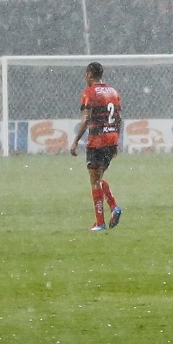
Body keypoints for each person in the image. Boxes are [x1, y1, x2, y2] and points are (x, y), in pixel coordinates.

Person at [69, 61, 124, 231]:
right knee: (98, 178)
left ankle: (100, 222)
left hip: (97, 140)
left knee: (94, 181)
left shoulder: (89, 92)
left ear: (89, 74)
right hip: (111, 139)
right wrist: (116, 140)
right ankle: (114, 207)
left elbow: (86, 118)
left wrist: (75, 141)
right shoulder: (113, 92)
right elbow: (119, 119)